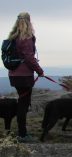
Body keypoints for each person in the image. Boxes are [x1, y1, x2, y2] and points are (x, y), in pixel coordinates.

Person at [8, 12, 44, 142]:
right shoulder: (26, 38)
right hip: (24, 76)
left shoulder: (13, 37)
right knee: (23, 104)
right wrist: (40, 71)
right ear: (29, 22)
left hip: (14, 75)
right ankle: (22, 135)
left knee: (22, 102)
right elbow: (29, 58)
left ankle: (21, 132)